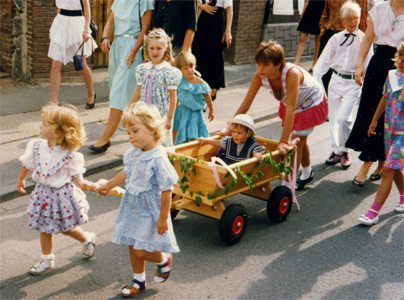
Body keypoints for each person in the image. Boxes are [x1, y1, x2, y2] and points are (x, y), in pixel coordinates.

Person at [96, 102, 180, 297]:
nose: (130, 136)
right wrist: (108, 185)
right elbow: (126, 172)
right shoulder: (134, 153)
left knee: (142, 250)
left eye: (134, 130)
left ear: (152, 130)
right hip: (132, 206)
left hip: (150, 211)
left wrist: (162, 217)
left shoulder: (158, 158)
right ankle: (139, 280)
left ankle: (163, 259)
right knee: (132, 246)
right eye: (128, 132)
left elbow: (167, 190)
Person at [221, 41, 328, 190]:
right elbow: (246, 103)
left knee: (295, 144)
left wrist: (283, 141)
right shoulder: (259, 76)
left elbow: (290, 108)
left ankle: (287, 187)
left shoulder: (292, 74)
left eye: (265, 65)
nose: (260, 68)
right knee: (300, 140)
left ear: (278, 64)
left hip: (310, 102)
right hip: (292, 104)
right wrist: (230, 127)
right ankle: (308, 172)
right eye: (258, 64)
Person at [17, 105, 96, 275]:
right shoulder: (36, 146)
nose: (40, 127)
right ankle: (47, 260)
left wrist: (93, 186)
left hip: (62, 196)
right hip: (42, 193)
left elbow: (79, 180)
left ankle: (87, 238)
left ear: (58, 132)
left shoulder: (71, 156)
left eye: (44, 125)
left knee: (66, 228)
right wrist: (21, 179)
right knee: (44, 228)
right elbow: (28, 163)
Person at [345, 0, 404, 186]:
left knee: (388, 115)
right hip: (377, 65)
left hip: (399, 67)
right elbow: (368, 38)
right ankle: (379, 163)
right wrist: (359, 65)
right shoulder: (378, 9)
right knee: (369, 112)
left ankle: (366, 165)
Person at [313, 1, 373, 169]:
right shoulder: (336, 38)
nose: (352, 22)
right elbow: (323, 62)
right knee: (333, 119)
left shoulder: (364, 40)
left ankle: (345, 150)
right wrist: (316, 82)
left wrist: (366, 85)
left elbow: (368, 64)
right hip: (336, 80)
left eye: (355, 18)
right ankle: (336, 151)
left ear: (360, 18)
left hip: (353, 83)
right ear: (342, 21)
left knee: (344, 118)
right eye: (348, 18)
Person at [89, 0, 154, 153]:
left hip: (132, 47)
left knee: (119, 92)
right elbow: (111, 21)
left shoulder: (143, 1)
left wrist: (134, 51)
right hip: (117, 46)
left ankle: (106, 138)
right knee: (122, 92)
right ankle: (143, 132)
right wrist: (105, 37)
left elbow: (145, 30)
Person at [358, 44, 404, 225]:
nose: (401, 62)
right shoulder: (392, 75)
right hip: (389, 129)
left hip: (403, 134)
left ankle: (373, 212)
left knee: (387, 169)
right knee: (395, 168)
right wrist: (374, 120)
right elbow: (385, 97)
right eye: (400, 57)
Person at [129, 28, 182, 147]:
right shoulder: (142, 69)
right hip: (143, 113)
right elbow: (138, 91)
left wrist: (169, 118)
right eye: (152, 48)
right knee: (144, 141)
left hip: (161, 115)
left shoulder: (169, 71)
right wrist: (129, 109)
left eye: (159, 48)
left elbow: (173, 97)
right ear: (147, 48)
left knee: (160, 142)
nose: (155, 52)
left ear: (166, 48)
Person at [48, 0, 97, 107]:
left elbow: (86, 6)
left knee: (81, 64)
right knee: (56, 64)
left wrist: (86, 29)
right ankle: (55, 101)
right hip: (60, 23)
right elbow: (59, 7)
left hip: (77, 24)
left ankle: (91, 93)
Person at [318, 0, 368, 94]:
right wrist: (323, 29)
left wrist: (362, 38)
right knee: (325, 68)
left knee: (347, 69)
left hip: (353, 34)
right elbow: (325, 12)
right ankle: (331, 96)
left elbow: (364, 15)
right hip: (331, 33)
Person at [193, 0, 233, 101]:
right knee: (199, 56)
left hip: (217, 22)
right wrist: (202, 7)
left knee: (214, 57)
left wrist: (228, 31)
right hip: (202, 21)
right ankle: (200, 93)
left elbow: (229, 9)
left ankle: (212, 93)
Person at [172, 51, 214, 145]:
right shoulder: (180, 80)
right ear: (180, 69)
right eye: (185, 68)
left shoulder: (199, 82)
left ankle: (190, 149)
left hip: (194, 113)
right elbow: (179, 96)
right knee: (178, 131)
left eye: (191, 67)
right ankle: (178, 149)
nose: (189, 70)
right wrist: (174, 110)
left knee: (192, 135)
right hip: (182, 110)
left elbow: (207, 97)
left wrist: (211, 110)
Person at [198, 114, 266, 164]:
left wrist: (256, 155)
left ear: (248, 133)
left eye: (239, 133)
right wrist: (206, 140)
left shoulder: (252, 145)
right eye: (233, 131)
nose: (235, 135)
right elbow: (219, 143)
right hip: (227, 169)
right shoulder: (229, 141)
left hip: (242, 172)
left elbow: (257, 152)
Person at [294, 0, 325, 72]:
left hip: (322, 12)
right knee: (302, 38)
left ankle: (315, 64)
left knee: (318, 41)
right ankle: (295, 63)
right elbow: (307, 1)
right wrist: (301, 16)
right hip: (310, 10)